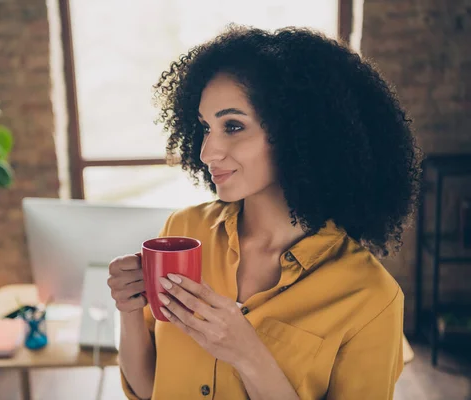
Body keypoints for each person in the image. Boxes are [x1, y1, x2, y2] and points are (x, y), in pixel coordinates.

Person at [107, 25, 422, 400]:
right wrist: (128, 310)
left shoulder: (370, 298)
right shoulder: (185, 231)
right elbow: (148, 390)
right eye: (206, 127)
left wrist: (248, 354)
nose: (208, 151)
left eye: (233, 126)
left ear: (300, 133)